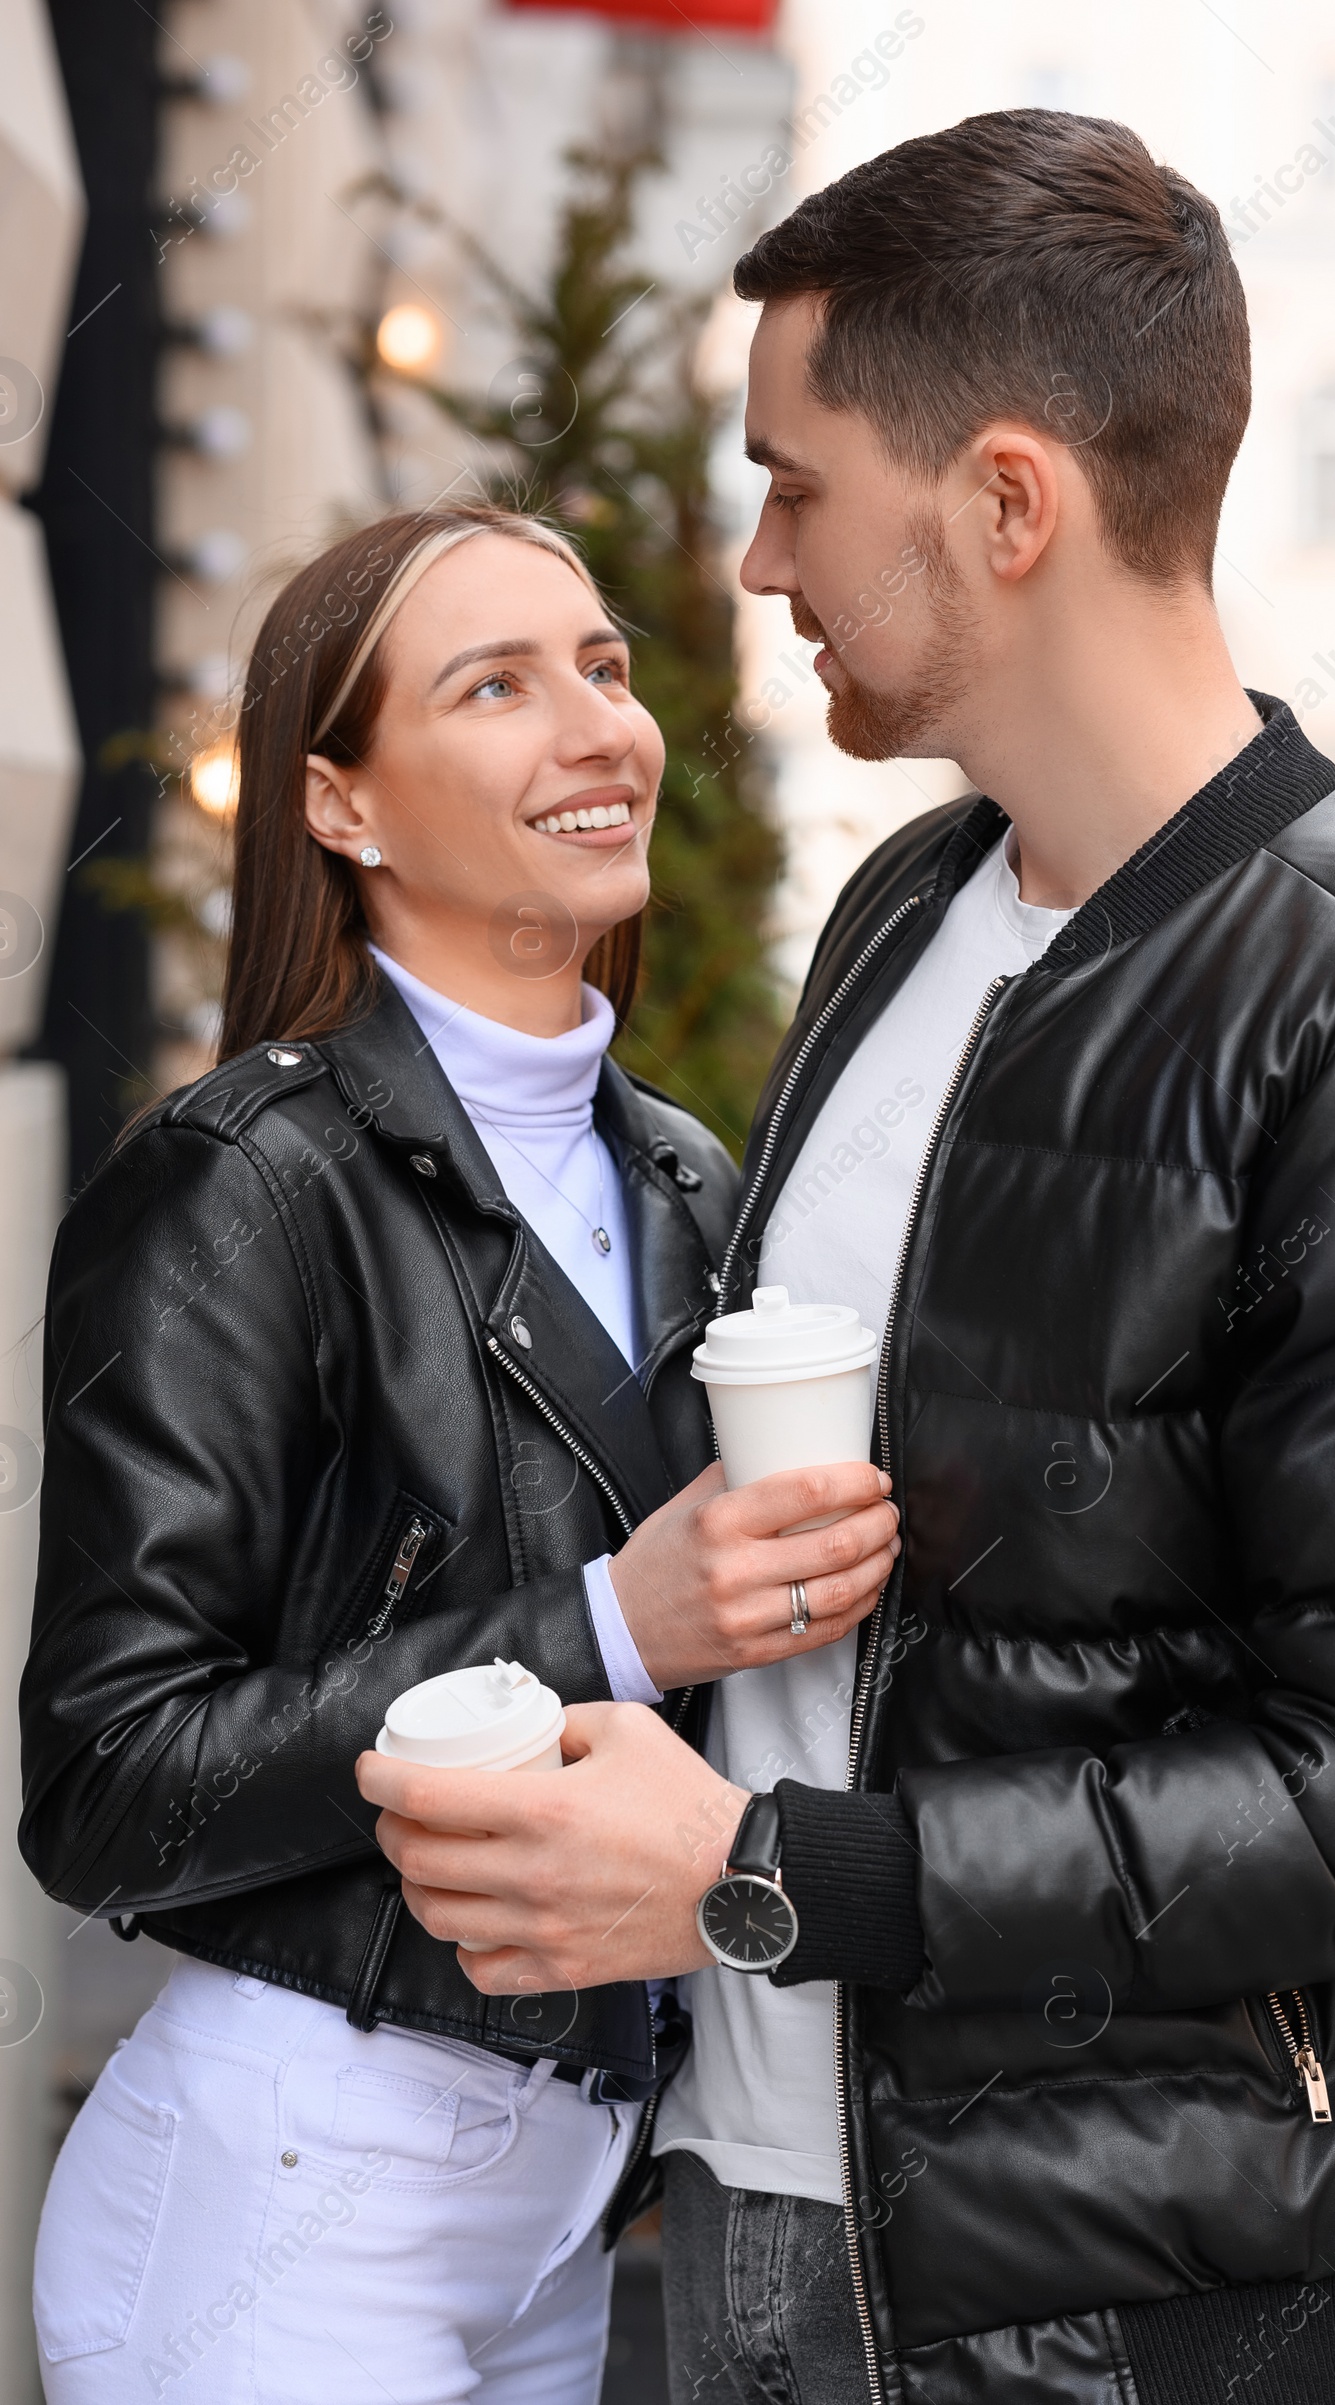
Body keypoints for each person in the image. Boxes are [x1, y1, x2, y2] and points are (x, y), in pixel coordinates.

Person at [356, 116, 1335, 2405]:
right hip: (761, 2199)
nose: (752, 563)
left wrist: (764, 1871)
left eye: (798, 484)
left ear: (1005, 504)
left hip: (1131, 2294)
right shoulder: (904, 912)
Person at [19, 501, 900, 2405]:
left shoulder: (684, 1177)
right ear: (338, 803)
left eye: (602, 666)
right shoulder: (242, 1186)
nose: (597, 727)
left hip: (563, 2204)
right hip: (288, 2193)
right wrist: (601, 1618)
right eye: (495, 685)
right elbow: (102, 1780)